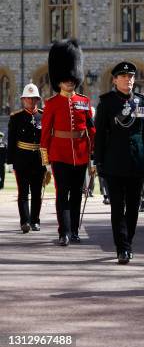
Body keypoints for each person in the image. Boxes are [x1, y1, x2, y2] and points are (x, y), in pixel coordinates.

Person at [94, 61, 144, 264]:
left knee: (134, 206)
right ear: (115, 80)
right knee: (118, 207)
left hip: (137, 162)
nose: (128, 80)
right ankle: (123, 247)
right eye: (123, 77)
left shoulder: (142, 103)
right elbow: (100, 136)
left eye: (131, 77)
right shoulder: (107, 103)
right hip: (114, 162)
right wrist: (99, 161)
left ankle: (128, 240)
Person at [40, 39, 96, 246]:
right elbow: (45, 133)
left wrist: (92, 156)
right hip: (59, 154)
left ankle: (74, 231)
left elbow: (91, 130)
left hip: (80, 154)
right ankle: (63, 232)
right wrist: (46, 160)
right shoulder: (51, 104)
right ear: (58, 80)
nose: (69, 82)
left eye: (72, 78)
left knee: (76, 196)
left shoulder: (84, 102)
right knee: (62, 194)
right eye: (65, 79)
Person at [7, 83, 47, 233]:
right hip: (21, 159)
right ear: (23, 100)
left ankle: (35, 220)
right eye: (28, 99)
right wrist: (10, 162)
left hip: (38, 159)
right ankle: (25, 221)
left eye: (33, 99)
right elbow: (11, 141)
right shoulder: (16, 117)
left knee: (37, 192)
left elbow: (47, 140)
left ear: (38, 100)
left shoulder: (43, 116)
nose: (30, 102)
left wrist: (47, 161)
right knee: (23, 193)